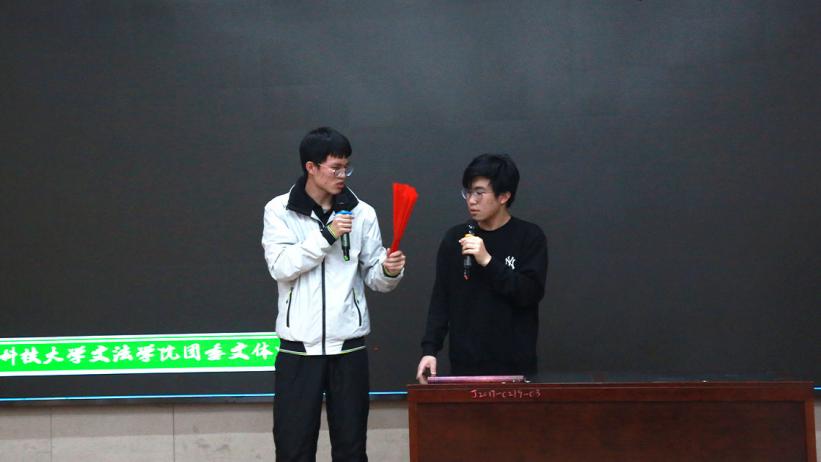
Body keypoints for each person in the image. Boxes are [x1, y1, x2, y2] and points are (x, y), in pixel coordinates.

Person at [262, 127, 406, 461]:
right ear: (311, 167)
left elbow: (374, 277)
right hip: (298, 350)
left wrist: (390, 270)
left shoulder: (362, 212)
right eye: (335, 168)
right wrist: (326, 235)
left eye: (346, 168)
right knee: (293, 448)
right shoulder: (279, 210)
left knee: (352, 449)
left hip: (349, 348)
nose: (343, 176)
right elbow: (281, 267)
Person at [416, 153, 547, 383]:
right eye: (468, 192)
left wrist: (487, 261)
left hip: (515, 368)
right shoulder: (455, 238)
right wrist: (430, 350)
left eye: (479, 193)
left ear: (504, 196)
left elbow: (529, 293)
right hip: (465, 366)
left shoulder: (529, 236)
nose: (471, 200)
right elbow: (441, 300)